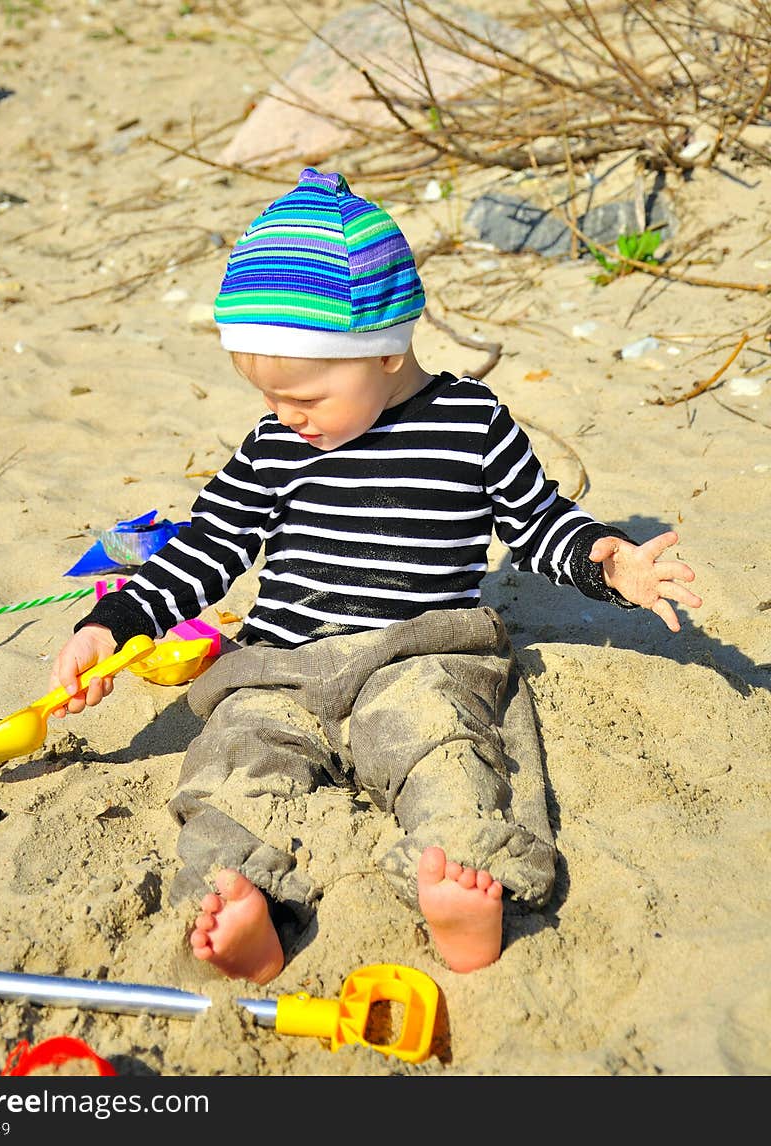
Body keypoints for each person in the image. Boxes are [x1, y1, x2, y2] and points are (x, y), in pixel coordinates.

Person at [49, 168, 701, 985]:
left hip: (413, 655)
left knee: (445, 745)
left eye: (305, 393)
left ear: (387, 349)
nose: (286, 414)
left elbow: (536, 521)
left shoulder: (470, 423)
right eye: (268, 394)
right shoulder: (276, 444)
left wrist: (610, 560)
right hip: (281, 665)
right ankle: (244, 897)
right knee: (236, 758)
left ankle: (463, 883)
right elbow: (208, 547)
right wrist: (116, 620)